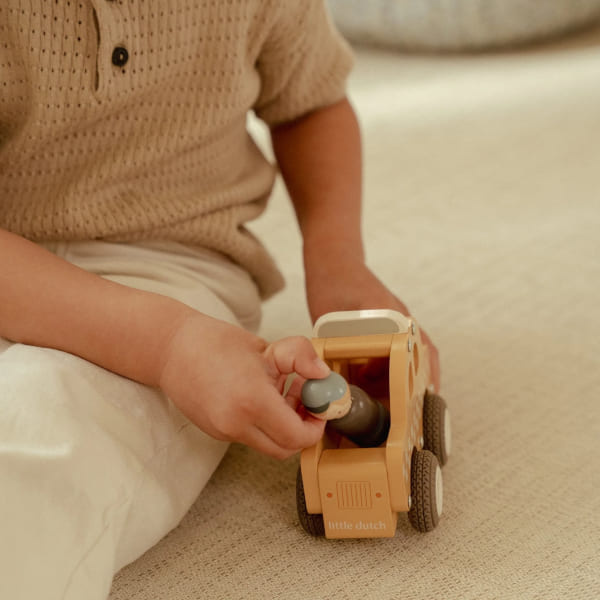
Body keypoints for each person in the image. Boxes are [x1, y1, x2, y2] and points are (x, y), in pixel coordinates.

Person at [0, 1, 440, 598]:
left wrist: (337, 262)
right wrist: (167, 344)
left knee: (41, 438)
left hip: (165, 266)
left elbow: (310, 102)